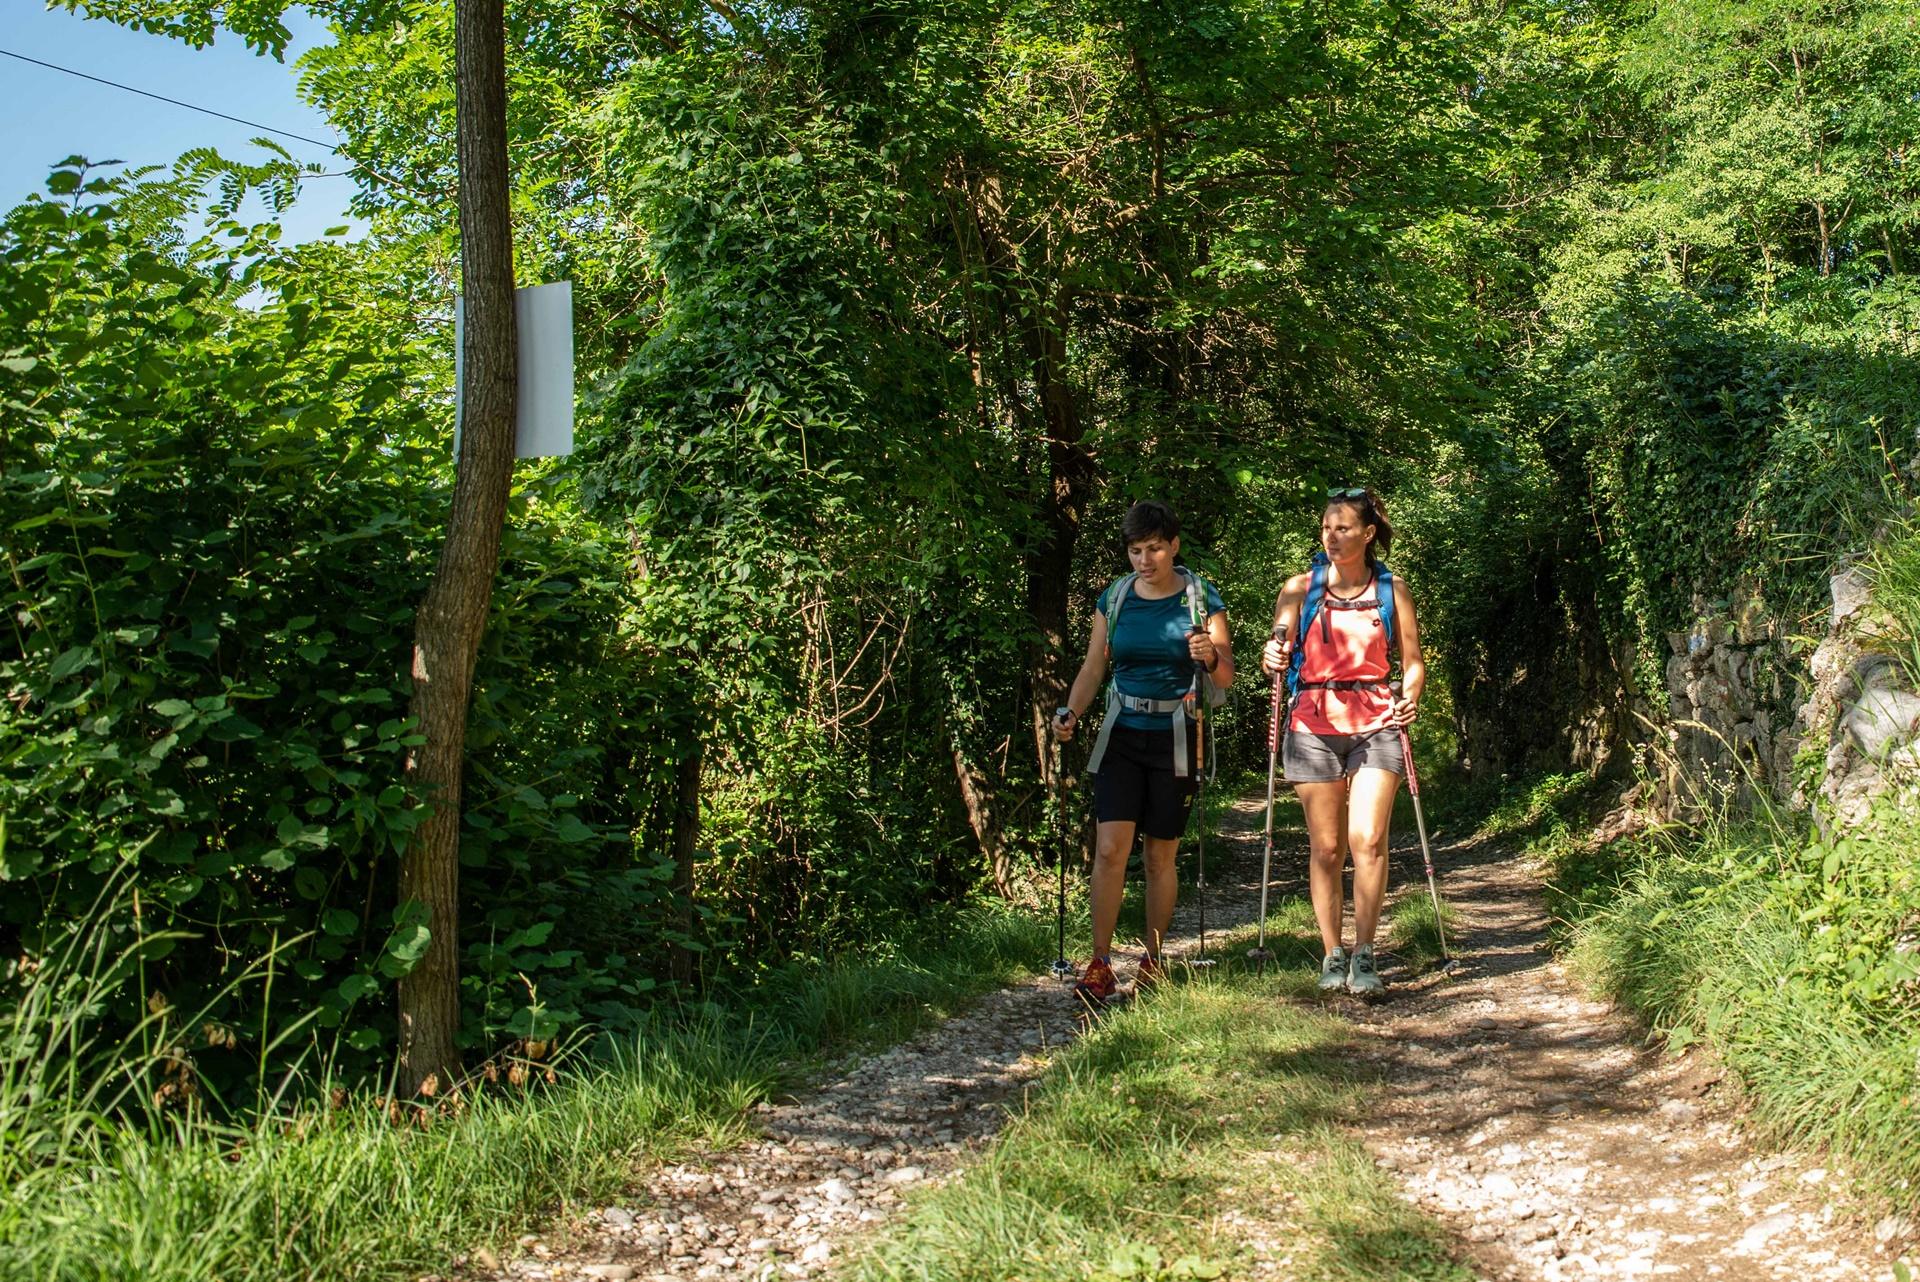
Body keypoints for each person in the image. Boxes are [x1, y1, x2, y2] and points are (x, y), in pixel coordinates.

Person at [1052, 501, 1235, 1003]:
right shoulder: (1114, 598)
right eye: (1136, 550)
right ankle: (1101, 962)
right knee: (1110, 849)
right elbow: (1093, 669)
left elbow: (1226, 677)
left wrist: (1211, 654)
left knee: (1160, 855)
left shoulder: (1200, 597)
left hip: (1177, 734)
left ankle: (1153, 960)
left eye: (1154, 548)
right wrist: (1071, 712)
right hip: (1122, 734)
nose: (1145, 559)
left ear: (1173, 546)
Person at [1260, 487, 1425, 996]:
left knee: (1368, 840)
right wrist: (1272, 657)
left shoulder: (1391, 591)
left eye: (1343, 528)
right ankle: (1333, 952)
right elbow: (1279, 649)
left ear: (1368, 534)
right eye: (1326, 528)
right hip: (1312, 723)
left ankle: (1365, 953)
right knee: (1327, 848)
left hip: (1376, 721)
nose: (1331, 537)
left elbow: (1414, 662)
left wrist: (1411, 696)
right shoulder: (1297, 589)